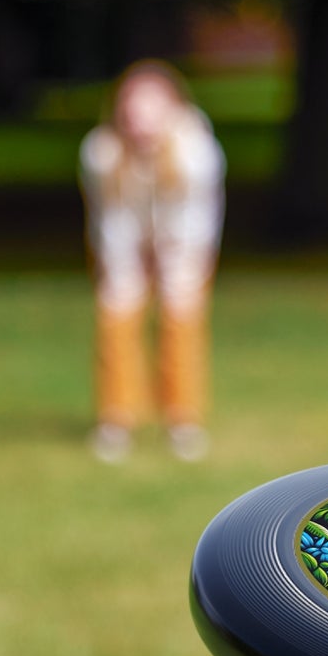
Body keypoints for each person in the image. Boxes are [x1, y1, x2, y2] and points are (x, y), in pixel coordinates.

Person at [79, 60, 226, 463]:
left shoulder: (197, 151)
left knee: (181, 320)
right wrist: (126, 267)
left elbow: (197, 219)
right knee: (116, 315)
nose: (140, 120)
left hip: (184, 244)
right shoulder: (101, 152)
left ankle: (183, 421)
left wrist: (173, 262)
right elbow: (110, 219)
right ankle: (116, 419)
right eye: (132, 109)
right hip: (123, 243)